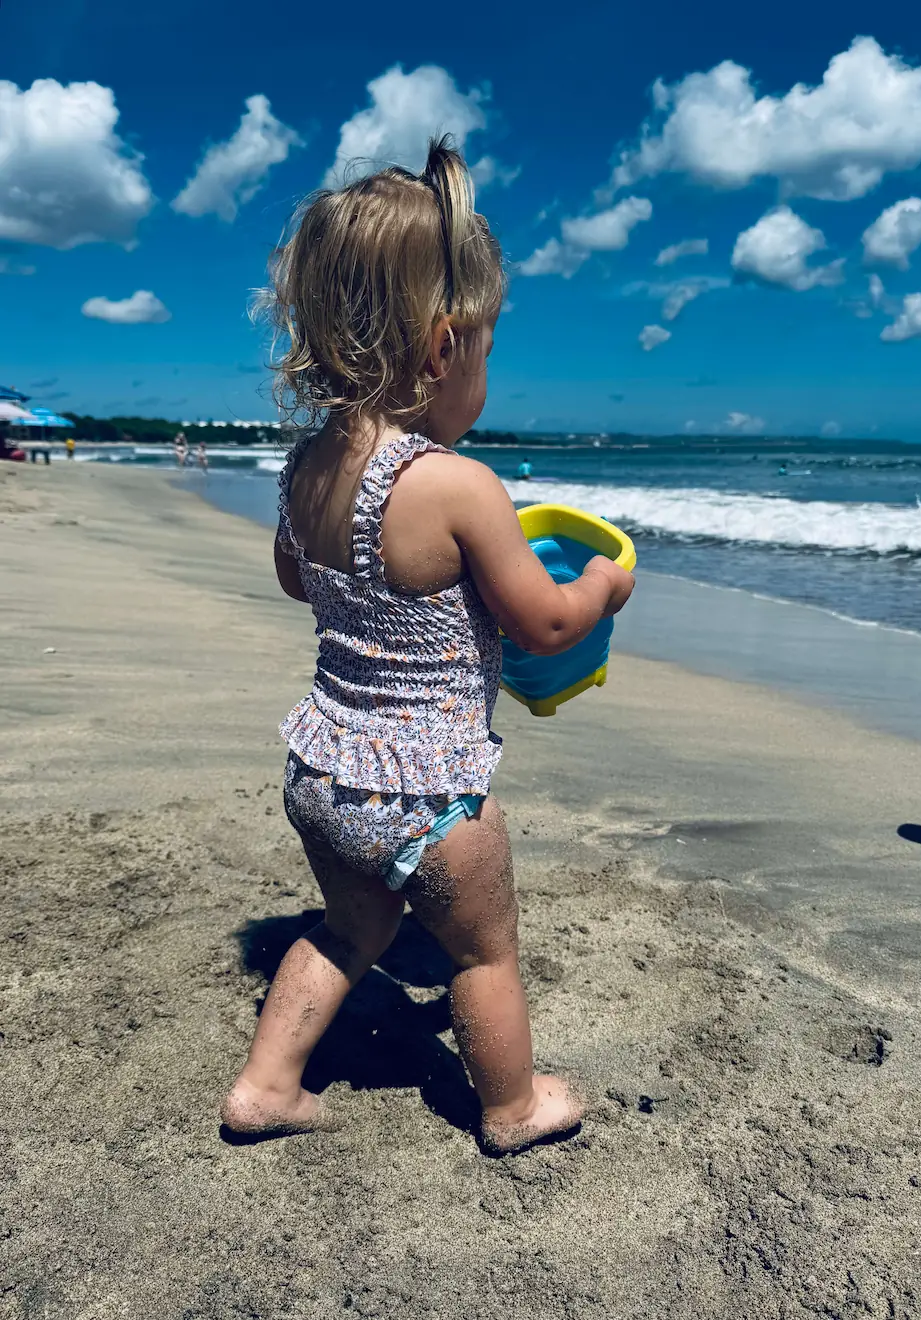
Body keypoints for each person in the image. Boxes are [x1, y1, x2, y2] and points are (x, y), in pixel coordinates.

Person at [220, 137, 635, 1154]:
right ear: (445, 348)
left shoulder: (304, 472)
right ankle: (510, 1105)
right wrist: (602, 583)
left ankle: (267, 1086)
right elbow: (541, 623)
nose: (485, 371)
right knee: (484, 953)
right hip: (430, 797)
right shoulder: (455, 484)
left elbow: (296, 577)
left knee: (349, 929)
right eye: (488, 350)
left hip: (323, 770)